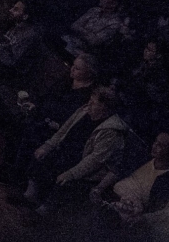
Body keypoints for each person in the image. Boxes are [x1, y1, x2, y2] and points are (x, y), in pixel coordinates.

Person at [12, 86, 128, 214]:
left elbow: (94, 161)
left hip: (83, 165)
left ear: (104, 108)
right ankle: (30, 196)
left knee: (64, 180)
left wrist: (71, 174)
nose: (89, 103)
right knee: (40, 155)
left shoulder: (111, 132)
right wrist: (47, 146)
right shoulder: (84, 111)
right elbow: (64, 130)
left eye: (94, 102)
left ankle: (43, 211)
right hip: (65, 152)